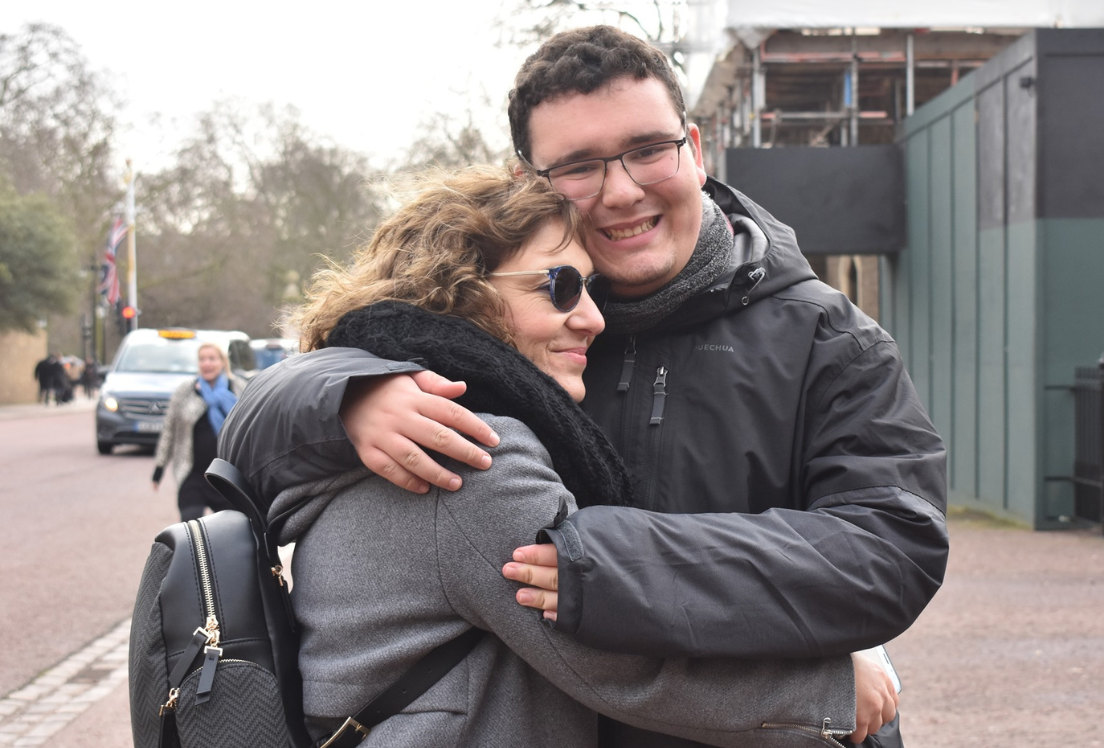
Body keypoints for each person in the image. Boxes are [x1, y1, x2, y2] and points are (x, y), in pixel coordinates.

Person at [219, 27, 947, 747]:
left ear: (694, 150)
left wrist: (603, 565)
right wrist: (341, 395)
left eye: (648, 150)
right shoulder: (472, 375)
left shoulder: (828, 338)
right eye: (579, 165)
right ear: (525, 183)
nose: (622, 190)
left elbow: (892, 548)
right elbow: (245, 461)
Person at [152, 342, 243, 521]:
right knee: (190, 529)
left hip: (227, 476)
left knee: (233, 530)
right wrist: (159, 467)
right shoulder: (185, 391)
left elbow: (251, 428)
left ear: (223, 362)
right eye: (202, 359)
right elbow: (169, 430)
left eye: (212, 359)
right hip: (193, 474)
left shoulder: (239, 389)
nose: (206, 364)